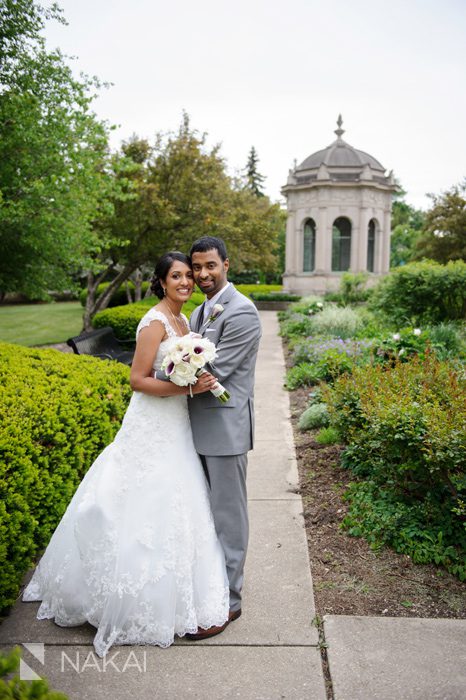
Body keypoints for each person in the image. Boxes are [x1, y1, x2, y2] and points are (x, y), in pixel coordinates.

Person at [22, 252, 229, 658]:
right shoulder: (154, 322)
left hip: (176, 424)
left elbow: (172, 370)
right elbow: (137, 380)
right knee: (140, 498)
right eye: (177, 276)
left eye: (189, 275)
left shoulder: (184, 321)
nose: (186, 282)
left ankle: (175, 593)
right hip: (151, 423)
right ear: (161, 282)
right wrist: (187, 388)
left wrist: (194, 378)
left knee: (177, 500)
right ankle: (125, 599)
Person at [186, 236, 262, 640]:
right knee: (204, 514)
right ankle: (208, 586)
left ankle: (230, 600)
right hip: (197, 428)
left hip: (225, 429)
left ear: (226, 265)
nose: (202, 274)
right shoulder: (201, 309)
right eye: (196, 267)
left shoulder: (243, 312)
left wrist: (157, 374)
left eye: (209, 266)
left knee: (229, 516)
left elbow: (215, 372)